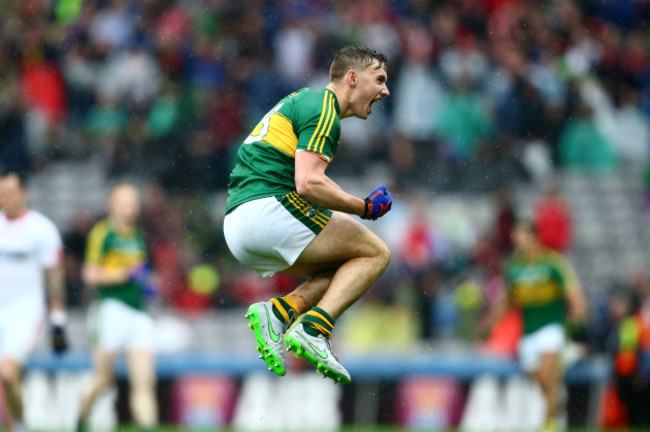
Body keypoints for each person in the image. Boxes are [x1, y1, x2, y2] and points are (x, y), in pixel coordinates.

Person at [224, 45, 393, 384]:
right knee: (376, 252)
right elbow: (308, 183)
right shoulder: (324, 109)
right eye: (379, 80)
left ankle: (280, 312)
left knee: (350, 265)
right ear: (351, 78)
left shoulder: (306, 100)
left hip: (238, 225)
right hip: (267, 210)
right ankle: (314, 331)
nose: (385, 91)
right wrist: (363, 207)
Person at [481, 221, 587, 432]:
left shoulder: (553, 262)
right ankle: (556, 407)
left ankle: (549, 426)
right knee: (542, 380)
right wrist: (490, 323)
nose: (516, 239)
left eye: (520, 234)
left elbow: (573, 291)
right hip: (528, 331)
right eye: (514, 235)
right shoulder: (514, 267)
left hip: (551, 327)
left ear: (533, 236)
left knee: (547, 374)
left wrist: (578, 313)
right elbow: (506, 300)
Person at [76, 183, 157, 432]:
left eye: (133, 203)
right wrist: (124, 274)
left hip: (138, 312)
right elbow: (89, 274)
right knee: (103, 378)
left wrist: (147, 285)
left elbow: (141, 273)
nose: (129, 208)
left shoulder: (139, 236)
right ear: (110, 204)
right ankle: (81, 421)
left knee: (144, 383)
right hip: (110, 309)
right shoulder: (102, 233)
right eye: (124, 203)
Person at [0, 171, 68, 432]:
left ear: (24, 194)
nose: (3, 198)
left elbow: (55, 280)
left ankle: (20, 425)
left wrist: (58, 323)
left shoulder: (42, 230)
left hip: (24, 314)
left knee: (7, 374)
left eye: (9, 192)